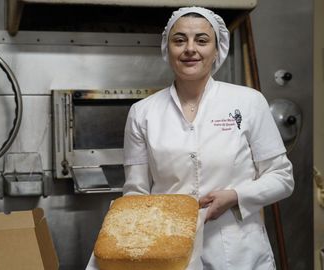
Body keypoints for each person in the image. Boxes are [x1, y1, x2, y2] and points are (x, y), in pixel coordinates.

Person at [122, 6, 294, 270]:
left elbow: (282, 178)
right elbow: (136, 193)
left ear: (217, 50)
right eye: (179, 40)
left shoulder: (248, 102)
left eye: (202, 40)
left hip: (240, 253)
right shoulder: (142, 113)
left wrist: (235, 195)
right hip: (170, 251)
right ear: (167, 49)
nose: (190, 48)